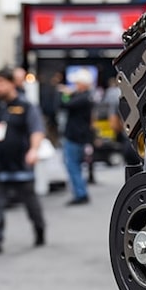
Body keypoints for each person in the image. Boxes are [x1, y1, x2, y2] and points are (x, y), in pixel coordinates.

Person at [0, 68, 46, 256]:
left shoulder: (26, 106)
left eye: (1, 83)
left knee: (31, 203)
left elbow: (37, 130)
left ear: (12, 83)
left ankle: (39, 229)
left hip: (21, 166)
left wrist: (34, 150)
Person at [59, 69, 95, 205]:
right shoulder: (86, 96)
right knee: (76, 165)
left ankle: (80, 193)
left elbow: (65, 105)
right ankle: (80, 191)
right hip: (80, 135)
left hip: (75, 136)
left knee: (73, 165)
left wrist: (64, 95)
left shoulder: (82, 98)